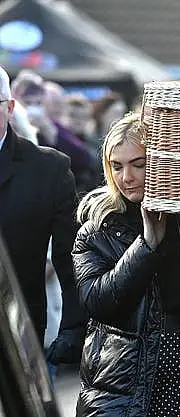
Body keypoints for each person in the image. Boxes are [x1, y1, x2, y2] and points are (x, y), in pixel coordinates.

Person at [72, 113, 180, 416]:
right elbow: (99, 302)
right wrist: (147, 245)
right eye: (117, 166)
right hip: (130, 385)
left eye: (138, 164)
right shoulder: (99, 229)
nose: (126, 177)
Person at [0, 65, 84, 364]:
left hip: (18, 333)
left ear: (10, 108)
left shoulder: (48, 169)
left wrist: (73, 326)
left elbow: (69, 254)